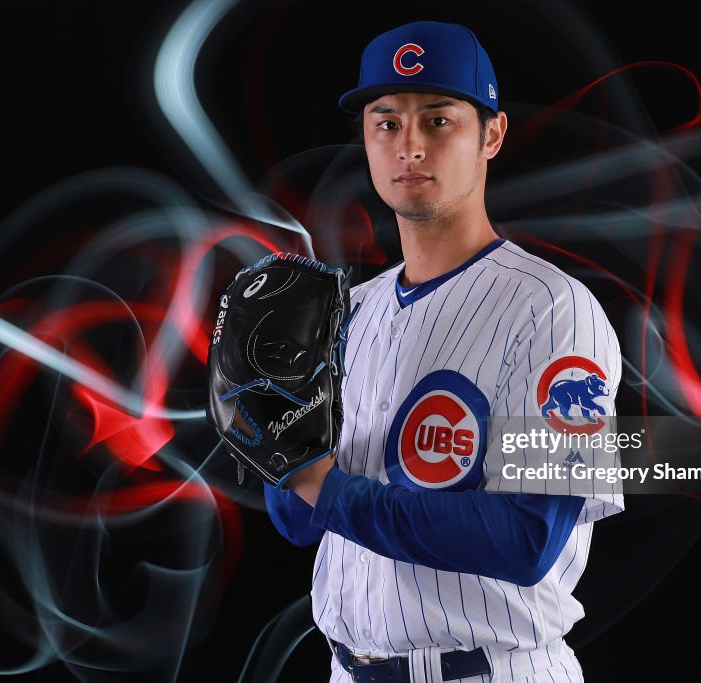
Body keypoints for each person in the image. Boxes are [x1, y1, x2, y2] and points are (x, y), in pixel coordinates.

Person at [263, 21, 623, 683]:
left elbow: (527, 537)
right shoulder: (352, 310)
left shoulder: (555, 309)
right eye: (386, 122)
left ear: (491, 134)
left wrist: (320, 482)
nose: (410, 146)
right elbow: (298, 523)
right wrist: (272, 450)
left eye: (438, 119)